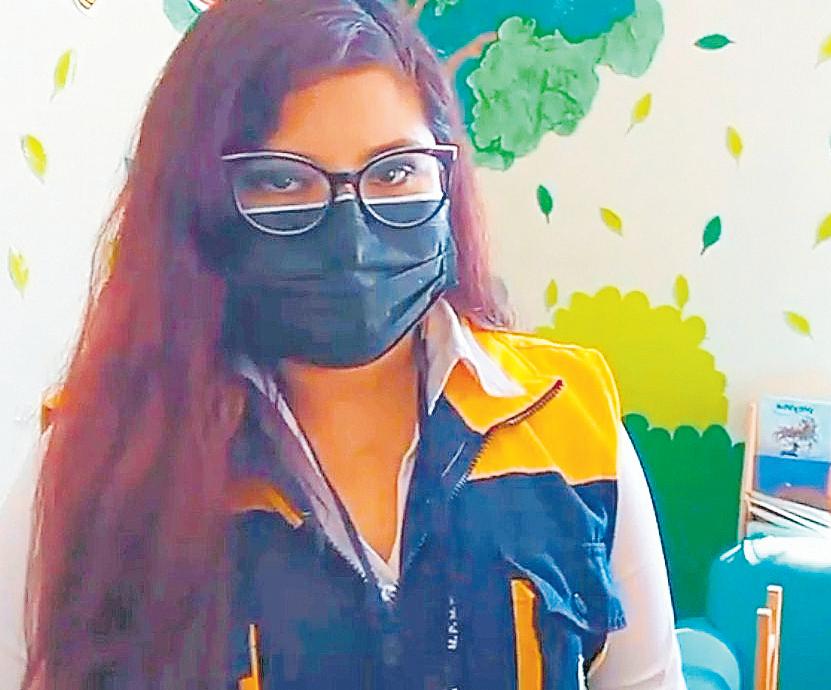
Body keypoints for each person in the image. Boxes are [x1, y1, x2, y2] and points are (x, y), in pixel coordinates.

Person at [3, 0, 686, 688]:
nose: (354, 238)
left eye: (394, 171)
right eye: (282, 179)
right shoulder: (96, 456)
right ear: (199, 203)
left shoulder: (569, 420)